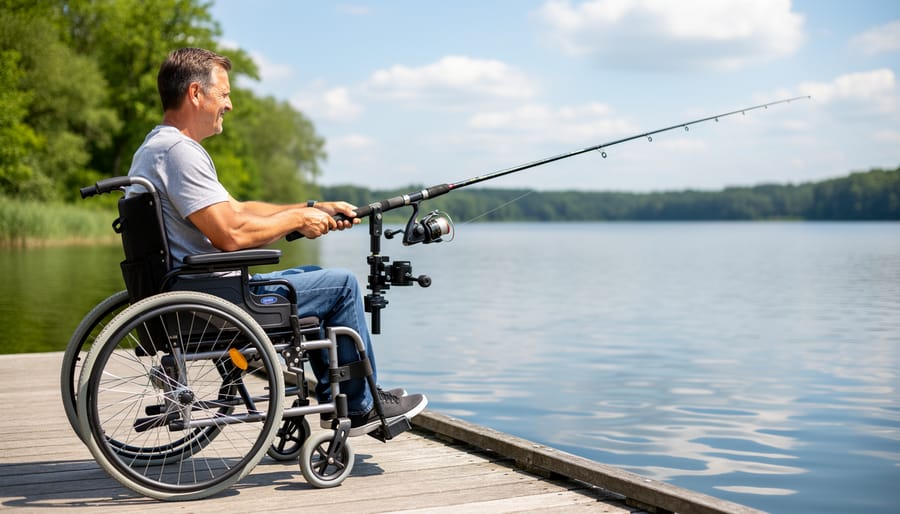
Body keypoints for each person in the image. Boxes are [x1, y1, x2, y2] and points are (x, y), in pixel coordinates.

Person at [127, 47, 426, 437]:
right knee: (342, 286)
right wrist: (299, 219)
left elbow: (237, 210)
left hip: (193, 291)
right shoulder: (179, 152)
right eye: (224, 94)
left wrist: (311, 207)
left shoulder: (157, 147)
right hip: (214, 299)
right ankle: (359, 407)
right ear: (196, 94)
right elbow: (231, 236)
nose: (229, 105)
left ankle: (341, 398)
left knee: (314, 275)